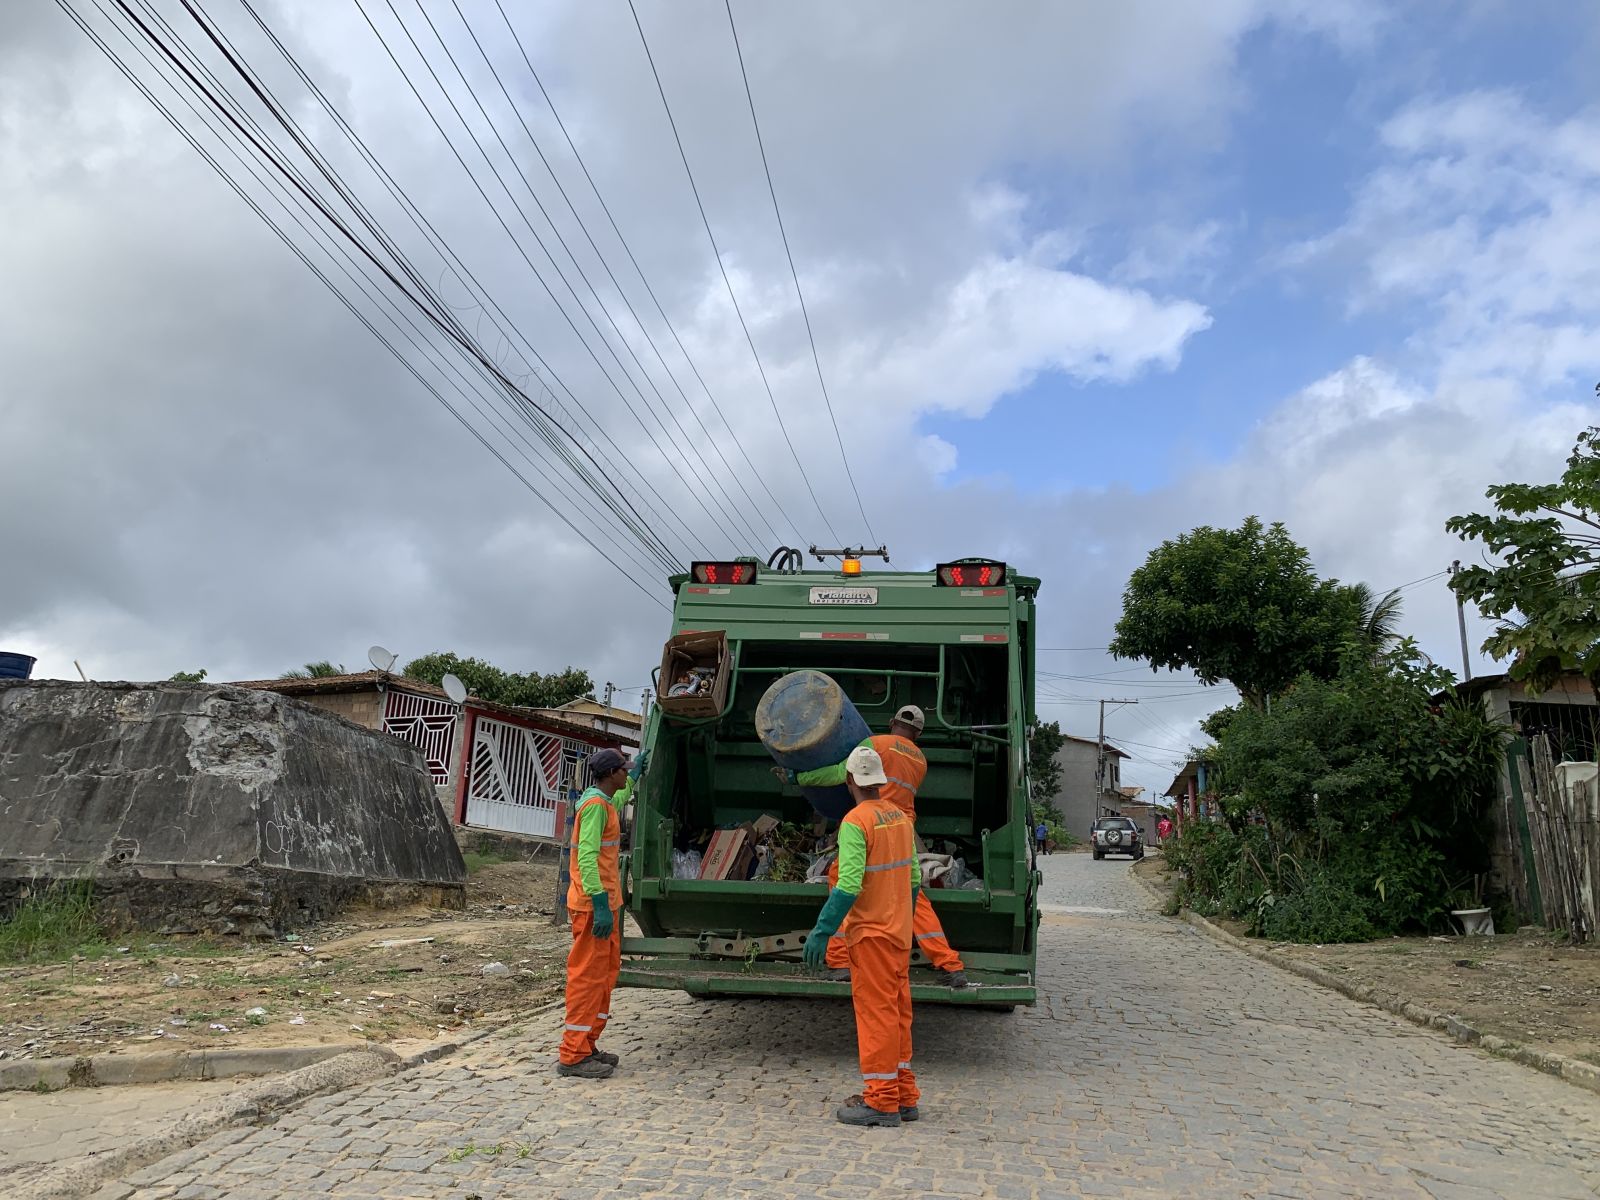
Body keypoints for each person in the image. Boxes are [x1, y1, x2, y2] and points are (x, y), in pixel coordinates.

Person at [779, 705, 969, 988]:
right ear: (918, 733)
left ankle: (841, 961)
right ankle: (950, 965)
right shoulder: (920, 760)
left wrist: (799, 779)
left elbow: (841, 773)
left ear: (892, 722)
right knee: (911, 897)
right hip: (900, 829)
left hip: (871, 824)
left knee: (843, 881)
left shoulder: (875, 745)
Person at [802, 745, 922, 1127]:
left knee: (876, 1018)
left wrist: (822, 932)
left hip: (871, 937)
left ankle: (881, 1101)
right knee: (898, 1013)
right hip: (899, 934)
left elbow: (848, 885)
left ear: (850, 780)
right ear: (880, 781)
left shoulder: (856, 822)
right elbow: (915, 880)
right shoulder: (902, 819)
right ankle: (904, 1095)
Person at [557, 746, 646, 1079]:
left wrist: (635, 777)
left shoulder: (605, 802)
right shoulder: (595, 807)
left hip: (602, 906)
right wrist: (598, 901)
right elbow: (587, 859)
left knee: (603, 978)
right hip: (592, 907)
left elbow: (620, 802)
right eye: (624, 770)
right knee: (587, 979)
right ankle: (572, 1055)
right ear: (611, 775)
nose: (627, 773)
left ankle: (587, 1045)